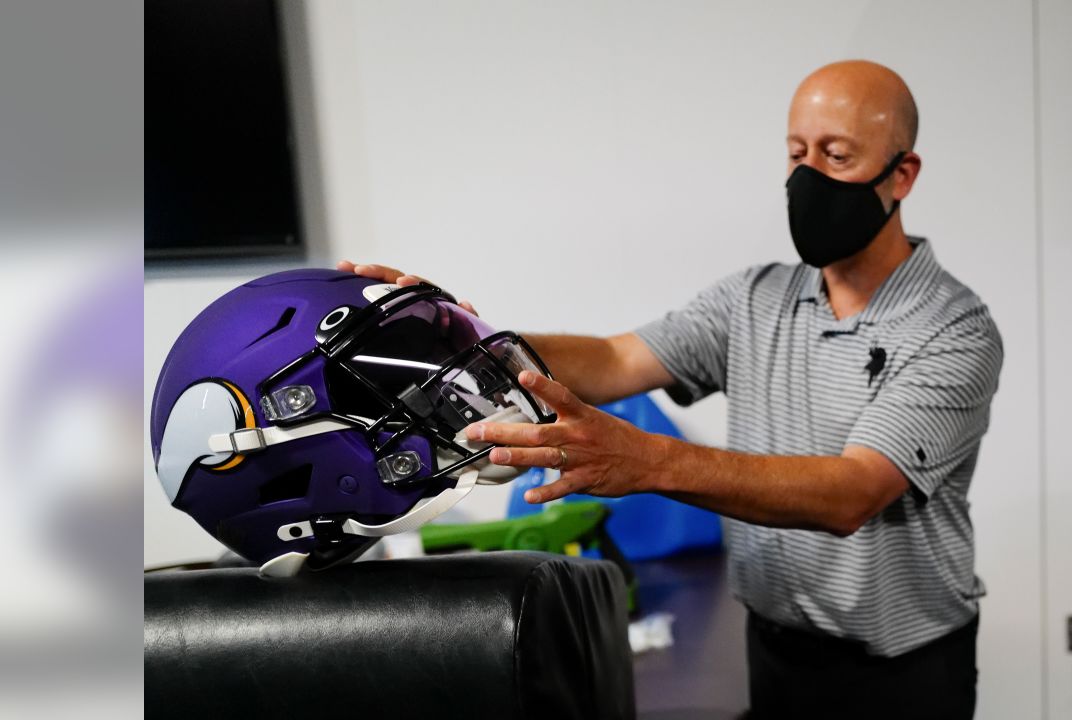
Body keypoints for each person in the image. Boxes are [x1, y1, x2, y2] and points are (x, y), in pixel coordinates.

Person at [341, 59, 1002, 720]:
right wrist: (457, 335)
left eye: (837, 155)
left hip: (901, 679)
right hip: (774, 655)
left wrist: (643, 460)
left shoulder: (954, 330)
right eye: (797, 153)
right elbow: (615, 358)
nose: (808, 177)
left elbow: (850, 494)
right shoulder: (755, 299)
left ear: (902, 174)